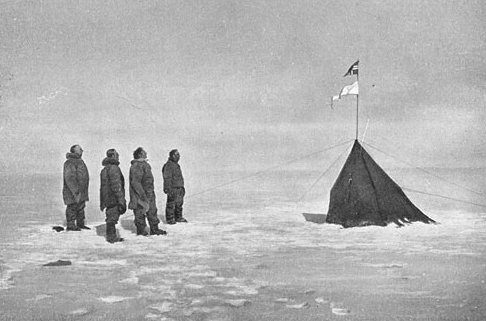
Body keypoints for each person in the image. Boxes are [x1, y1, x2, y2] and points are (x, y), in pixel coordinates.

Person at [128, 147, 167, 236]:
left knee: (152, 211)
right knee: (140, 212)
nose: (146, 153)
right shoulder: (137, 165)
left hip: (149, 194)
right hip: (141, 195)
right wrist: (142, 196)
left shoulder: (144, 165)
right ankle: (141, 231)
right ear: (140, 154)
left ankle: (154, 229)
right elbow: (136, 183)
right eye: (144, 152)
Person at [100, 149, 126, 243]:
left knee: (111, 216)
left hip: (108, 198)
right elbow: (116, 185)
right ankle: (111, 237)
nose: (118, 156)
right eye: (116, 154)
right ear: (112, 156)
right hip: (113, 198)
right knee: (112, 218)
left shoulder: (105, 169)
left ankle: (111, 236)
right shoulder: (114, 168)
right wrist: (121, 200)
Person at [62, 144, 90, 231]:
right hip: (72, 191)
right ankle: (71, 225)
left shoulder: (79, 161)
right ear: (74, 151)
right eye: (80, 149)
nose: (82, 150)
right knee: (72, 206)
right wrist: (75, 190)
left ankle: (80, 224)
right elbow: (69, 178)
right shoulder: (70, 162)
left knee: (81, 207)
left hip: (81, 191)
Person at [162, 149, 187, 224]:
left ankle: (178, 217)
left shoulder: (176, 165)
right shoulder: (168, 165)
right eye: (176, 155)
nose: (178, 156)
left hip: (179, 188)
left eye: (179, 155)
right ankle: (170, 219)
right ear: (172, 155)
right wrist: (167, 188)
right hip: (173, 188)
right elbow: (167, 178)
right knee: (171, 204)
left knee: (179, 203)